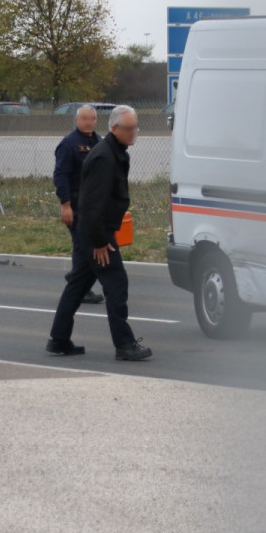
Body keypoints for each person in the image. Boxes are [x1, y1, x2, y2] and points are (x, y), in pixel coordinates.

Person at [47, 105, 151, 361]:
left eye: (135, 127)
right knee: (116, 283)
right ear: (115, 129)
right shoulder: (105, 157)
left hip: (93, 231)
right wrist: (100, 242)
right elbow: (91, 205)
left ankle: (59, 339)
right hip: (96, 233)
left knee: (79, 283)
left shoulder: (111, 151)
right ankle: (125, 345)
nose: (134, 133)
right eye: (129, 128)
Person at [53, 104, 104, 304]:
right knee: (83, 246)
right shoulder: (68, 143)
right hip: (75, 203)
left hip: (94, 205)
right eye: (84, 118)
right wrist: (65, 205)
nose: (88, 122)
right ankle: (81, 287)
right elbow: (61, 175)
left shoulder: (99, 142)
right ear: (76, 120)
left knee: (91, 245)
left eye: (92, 118)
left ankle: (76, 278)